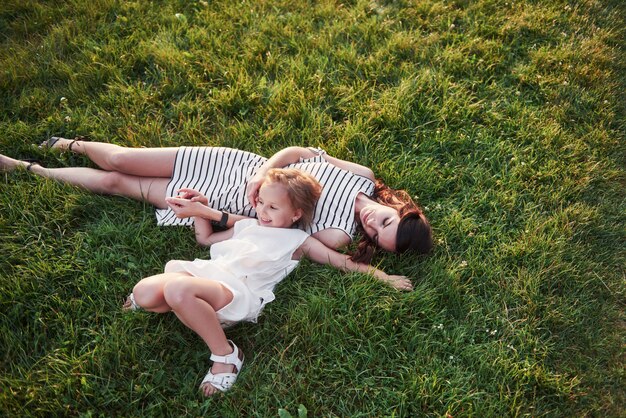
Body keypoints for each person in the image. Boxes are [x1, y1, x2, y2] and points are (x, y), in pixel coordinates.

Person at [0, 137, 432, 289]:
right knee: (121, 159)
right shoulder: (362, 176)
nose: (373, 227)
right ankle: (71, 144)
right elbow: (300, 151)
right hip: (232, 166)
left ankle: (28, 168)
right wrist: (264, 173)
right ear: (399, 208)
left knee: (116, 184)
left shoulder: (338, 234)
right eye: (387, 222)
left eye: (378, 239)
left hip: (221, 204)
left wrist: (382, 276)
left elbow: (280, 236)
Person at [122, 168, 400, 396]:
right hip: (207, 275)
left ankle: (226, 356)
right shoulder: (247, 225)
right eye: (261, 203)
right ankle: (188, 307)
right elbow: (205, 240)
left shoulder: (298, 241)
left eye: (273, 207)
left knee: (176, 289)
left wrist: (384, 277)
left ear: (295, 215)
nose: (263, 212)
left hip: (235, 292)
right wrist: (199, 209)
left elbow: (342, 262)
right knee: (143, 293)